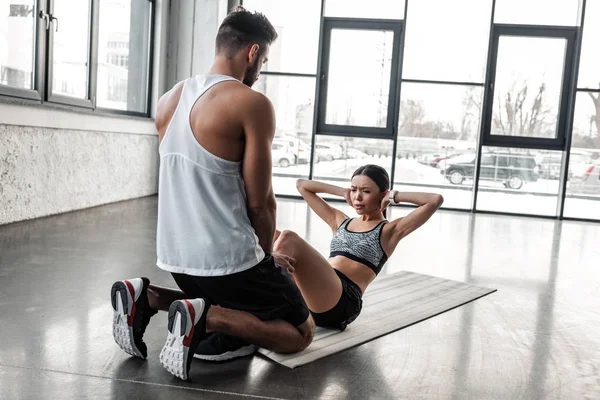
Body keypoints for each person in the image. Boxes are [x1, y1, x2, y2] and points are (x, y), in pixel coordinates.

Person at [110, 7, 314, 381]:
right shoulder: (251, 103)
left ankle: (150, 296)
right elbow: (260, 202)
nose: (261, 68)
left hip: (176, 259)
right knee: (301, 333)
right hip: (228, 261)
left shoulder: (169, 99)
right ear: (252, 52)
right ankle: (209, 318)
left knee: (221, 294)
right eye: (264, 60)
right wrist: (266, 259)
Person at [194, 164, 444, 359]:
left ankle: (258, 289)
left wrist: (395, 196)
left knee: (289, 238)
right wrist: (343, 192)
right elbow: (303, 185)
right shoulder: (341, 220)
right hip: (314, 296)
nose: (357, 197)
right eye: (354, 190)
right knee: (274, 233)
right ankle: (251, 299)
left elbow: (434, 200)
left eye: (366, 191)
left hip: (342, 302)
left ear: (382, 194)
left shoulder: (389, 231)